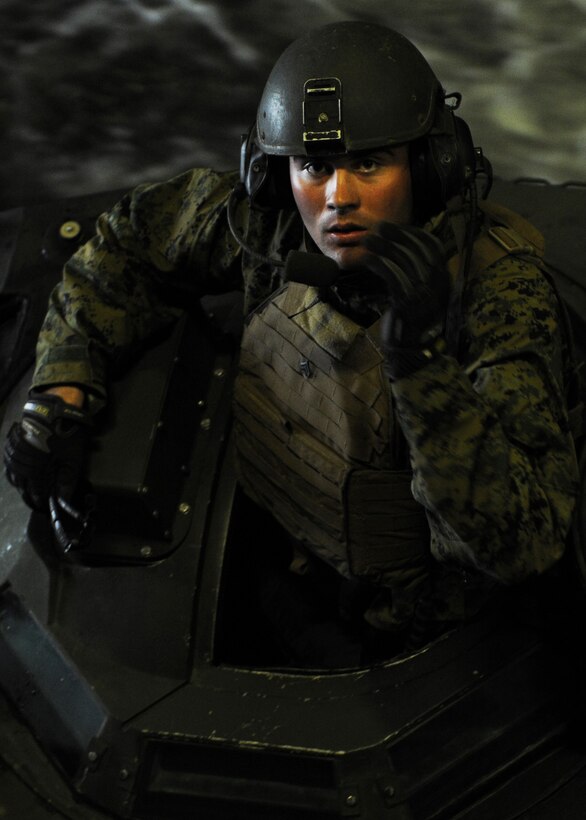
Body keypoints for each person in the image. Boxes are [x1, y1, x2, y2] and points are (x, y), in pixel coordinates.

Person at [3, 21, 579, 661]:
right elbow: (128, 242)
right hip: (279, 556)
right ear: (277, 175)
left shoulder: (499, 296)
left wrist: (420, 364)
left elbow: (520, 541)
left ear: (430, 166)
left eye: (368, 163)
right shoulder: (273, 229)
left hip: (413, 633)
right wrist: (63, 383)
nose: (339, 198)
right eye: (313, 167)